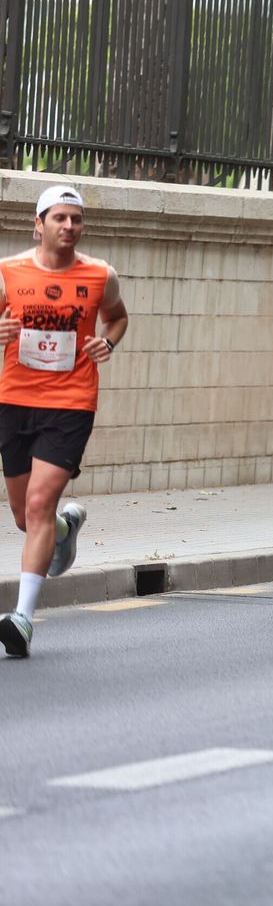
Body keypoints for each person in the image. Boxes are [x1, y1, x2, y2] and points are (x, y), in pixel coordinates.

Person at [0, 185, 129, 658]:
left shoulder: (100, 275)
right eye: (59, 218)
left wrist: (108, 344)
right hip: (15, 400)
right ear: (39, 224)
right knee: (23, 516)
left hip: (72, 402)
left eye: (76, 219)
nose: (69, 226)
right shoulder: (9, 273)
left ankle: (23, 619)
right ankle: (63, 530)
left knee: (36, 504)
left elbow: (117, 318)